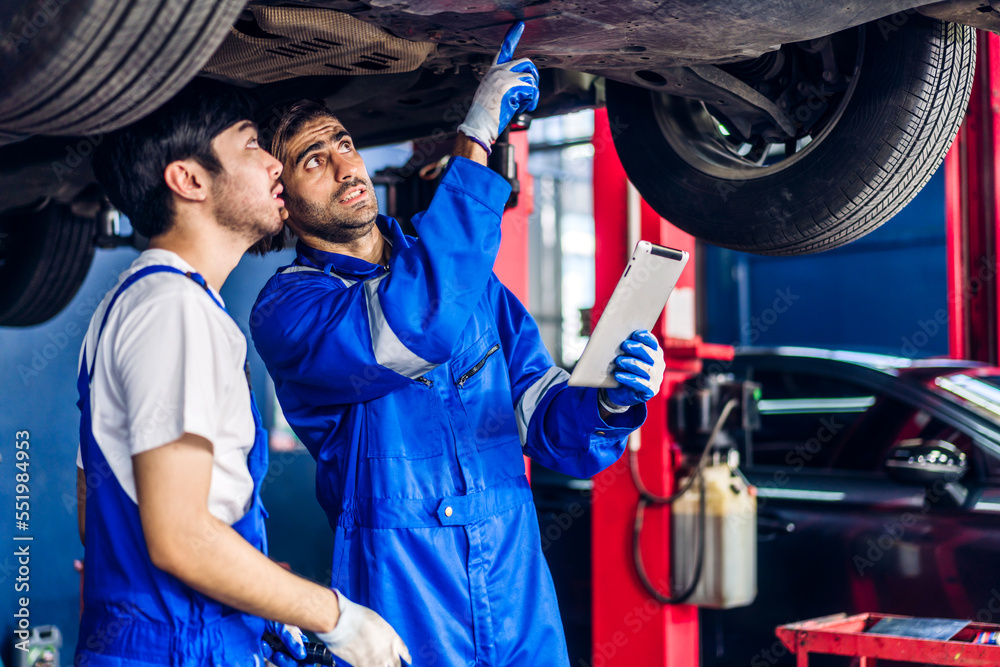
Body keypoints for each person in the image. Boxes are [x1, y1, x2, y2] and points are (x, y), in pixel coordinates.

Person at [250, 23, 665, 667]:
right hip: (405, 592)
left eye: (344, 144)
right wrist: (473, 143)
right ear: (283, 202)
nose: (346, 167)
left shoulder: (469, 279)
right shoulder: (290, 310)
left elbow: (544, 421)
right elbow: (416, 324)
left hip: (515, 583)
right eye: (313, 160)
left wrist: (608, 400)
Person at [76, 81, 409, 667]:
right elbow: (180, 537)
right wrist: (335, 616)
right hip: (179, 649)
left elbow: (94, 510)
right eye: (251, 144)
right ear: (190, 180)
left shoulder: (132, 301)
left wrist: (253, 596)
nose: (273, 163)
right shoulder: (173, 310)